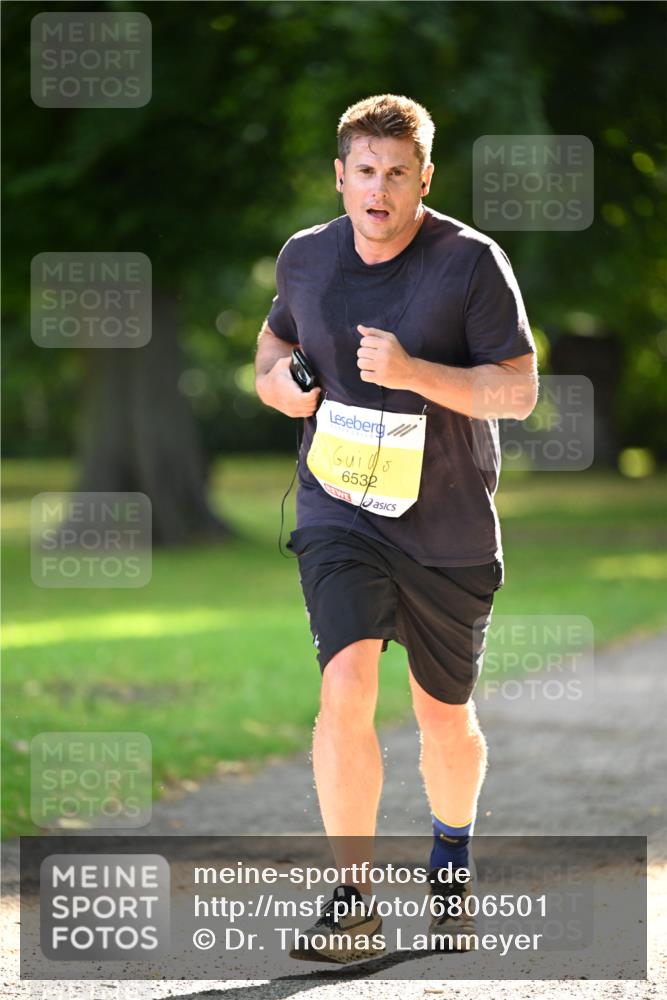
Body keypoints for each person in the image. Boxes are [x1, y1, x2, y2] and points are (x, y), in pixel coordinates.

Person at [254, 93, 537, 963]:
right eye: (364, 173)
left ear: (424, 180)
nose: (379, 191)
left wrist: (416, 372)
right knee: (344, 683)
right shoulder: (305, 258)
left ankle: (448, 859)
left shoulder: (468, 264)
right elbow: (270, 354)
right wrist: (280, 387)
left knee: (441, 717)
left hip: (445, 523)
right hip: (340, 509)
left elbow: (517, 391)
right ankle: (353, 898)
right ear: (340, 178)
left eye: (397, 174)